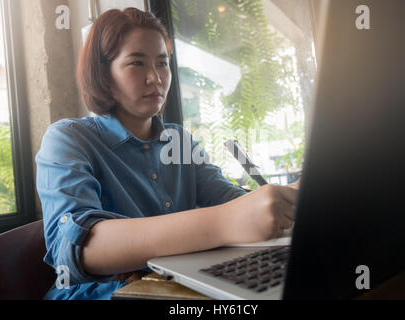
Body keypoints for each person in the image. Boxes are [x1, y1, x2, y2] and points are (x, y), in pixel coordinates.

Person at [35, 8, 298, 300]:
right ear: (103, 74)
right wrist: (225, 221)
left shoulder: (180, 141)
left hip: (177, 288)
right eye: (137, 63)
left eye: (162, 63)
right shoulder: (68, 138)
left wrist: (291, 196)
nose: (155, 78)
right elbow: (77, 250)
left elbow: (232, 200)